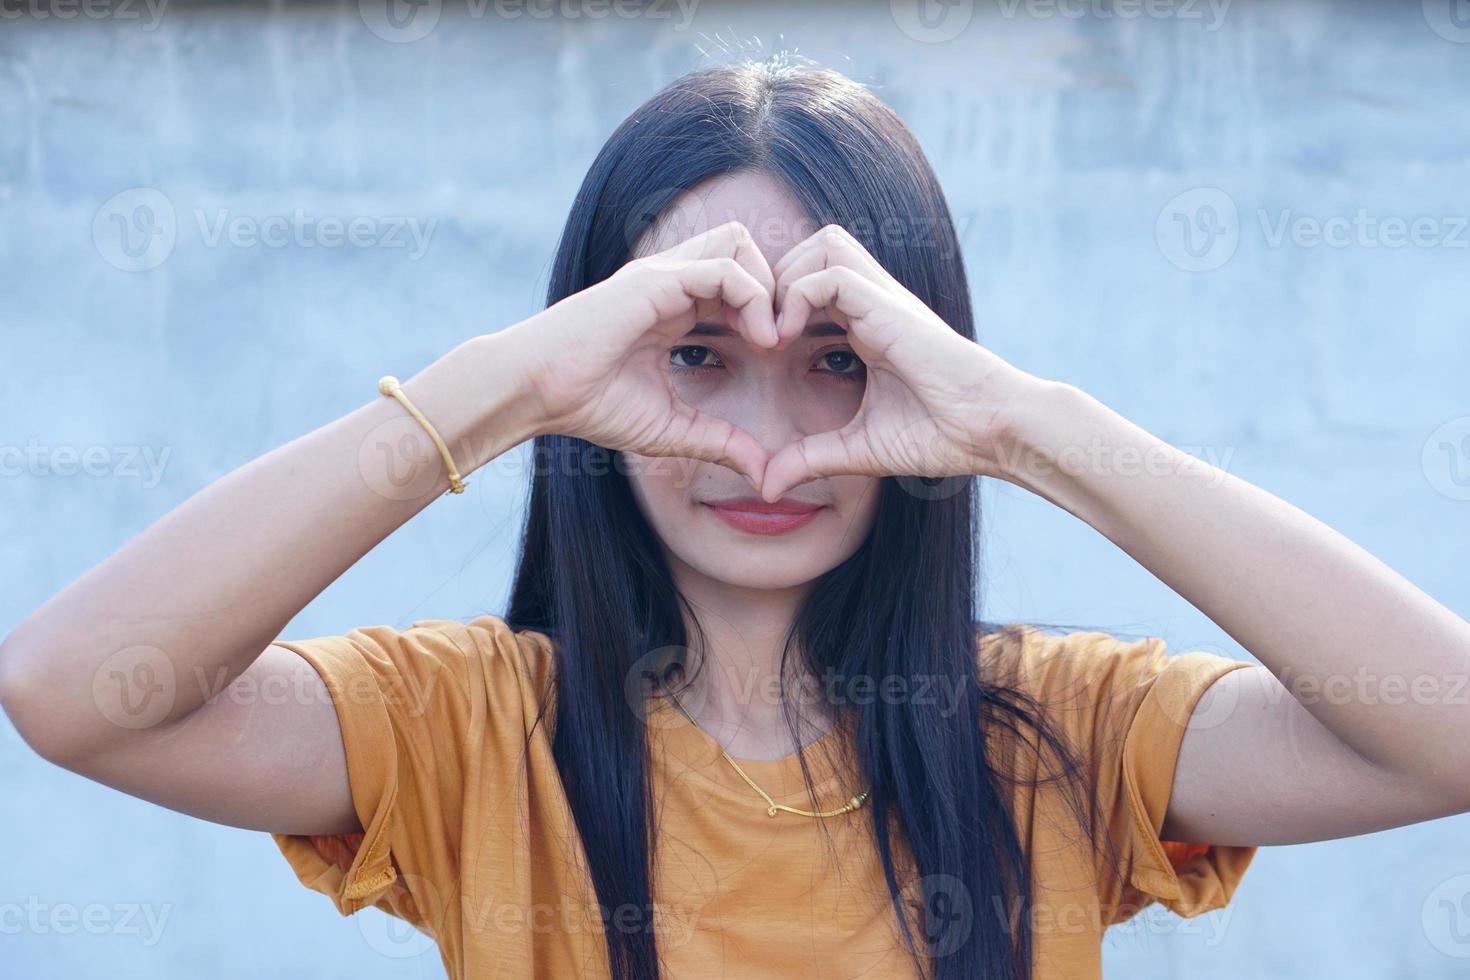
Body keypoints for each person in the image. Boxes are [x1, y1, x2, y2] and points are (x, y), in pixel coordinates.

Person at [3, 55, 1468, 980]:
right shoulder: (462, 726)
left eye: (837, 366)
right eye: (696, 355)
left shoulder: (1055, 728)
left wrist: (1023, 424)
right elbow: (73, 694)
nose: (761, 448)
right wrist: (504, 388)